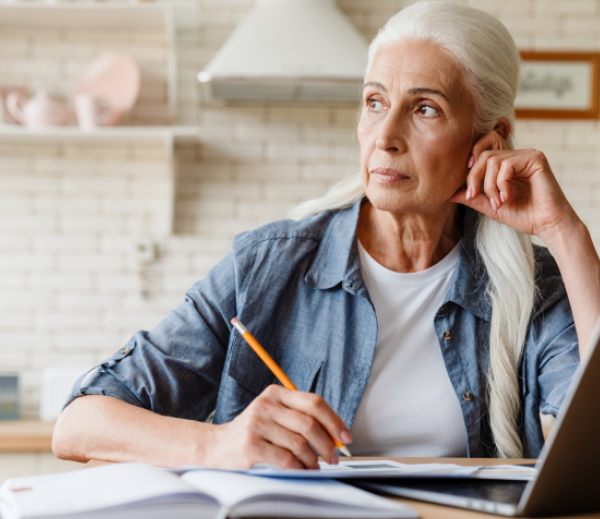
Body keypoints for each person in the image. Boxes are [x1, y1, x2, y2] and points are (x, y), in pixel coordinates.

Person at [52, 1, 599, 468]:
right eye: (374, 102)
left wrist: (565, 232)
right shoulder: (268, 268)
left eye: (425, 108)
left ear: (490, 139)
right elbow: (78, 424)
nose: (384, 137)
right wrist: (216, 444)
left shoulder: (534, 287)